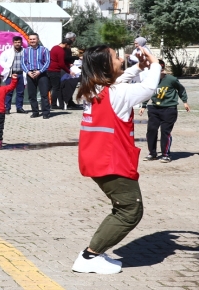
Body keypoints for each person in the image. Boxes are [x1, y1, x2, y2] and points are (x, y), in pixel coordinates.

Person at [72, 45, 160, 274]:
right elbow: (149, 87)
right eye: (116, 57)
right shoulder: (118, 94)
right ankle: (90, 256)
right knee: (131, 209)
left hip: (95, 158)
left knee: (122, 206)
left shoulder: (89, 90)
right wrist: (156, 63)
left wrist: (138, 67)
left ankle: (95, 254)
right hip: (112, 161)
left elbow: (117, 84)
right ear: (105, 66)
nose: (122, 59)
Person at [138, 59, 190, 163]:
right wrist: (143, 105)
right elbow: (147, 92)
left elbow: (181, 89)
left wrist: (185, 101)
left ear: (161, 68)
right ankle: (152, 153)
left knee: (165, 132)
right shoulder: (150, 80)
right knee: (151, 131)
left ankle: (166, 154)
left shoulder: (171, 79)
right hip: (154, 109)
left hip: (169, 109)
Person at [21, 33, 51, 119]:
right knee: (31, 95)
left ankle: (46, 113)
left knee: (44, 94)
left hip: (42, 74)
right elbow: (23, 63)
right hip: (30, 74)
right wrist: (27, 72)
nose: (32, 41)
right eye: (30, 39)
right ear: (28, 40)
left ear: (38, 40)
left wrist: (40, 71)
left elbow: (48, 62)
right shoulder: (26, 51)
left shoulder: (44, 50)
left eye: (34, 39)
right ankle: (35, 112)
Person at [0, 35, 27, 114]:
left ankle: (19, 108)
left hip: (21, 74)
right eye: (15, 42)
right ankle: (7, 108)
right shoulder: (8, 51)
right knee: (8, 92)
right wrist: (7, 66)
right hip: (11, 74)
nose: (17, 44)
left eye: (19, 42)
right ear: (13, 43)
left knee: (20, 92)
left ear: (21, 43)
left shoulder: (25, 51)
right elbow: (0, 60)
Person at [47, 38, 74, 109]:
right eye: (69, 46)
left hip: (49, 69)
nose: (69, 48)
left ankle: (46, 103)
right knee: (56, 88)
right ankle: (53, 104)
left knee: (49, 87)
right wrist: (69, 71)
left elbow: (56, 59)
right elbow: (61, 64)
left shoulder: (54, 47)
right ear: (66, 44)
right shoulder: (61, 51)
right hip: (55, 70)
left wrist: (68, 63)